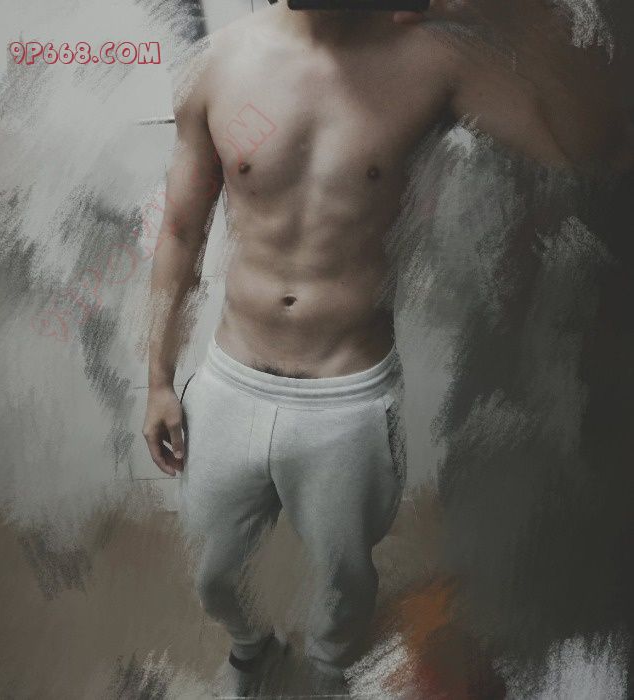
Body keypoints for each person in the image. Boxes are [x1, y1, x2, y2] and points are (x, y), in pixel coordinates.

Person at [141, 1, 633, 696]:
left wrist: (505, 12)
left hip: (348, 397)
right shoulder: (219, 66)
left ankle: (327, 669)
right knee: (212, 576)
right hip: (231, 383)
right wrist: (158, 379)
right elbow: (179, 233)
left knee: (345, 579)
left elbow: (591, 148)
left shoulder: (434, 61)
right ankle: (251, 646)